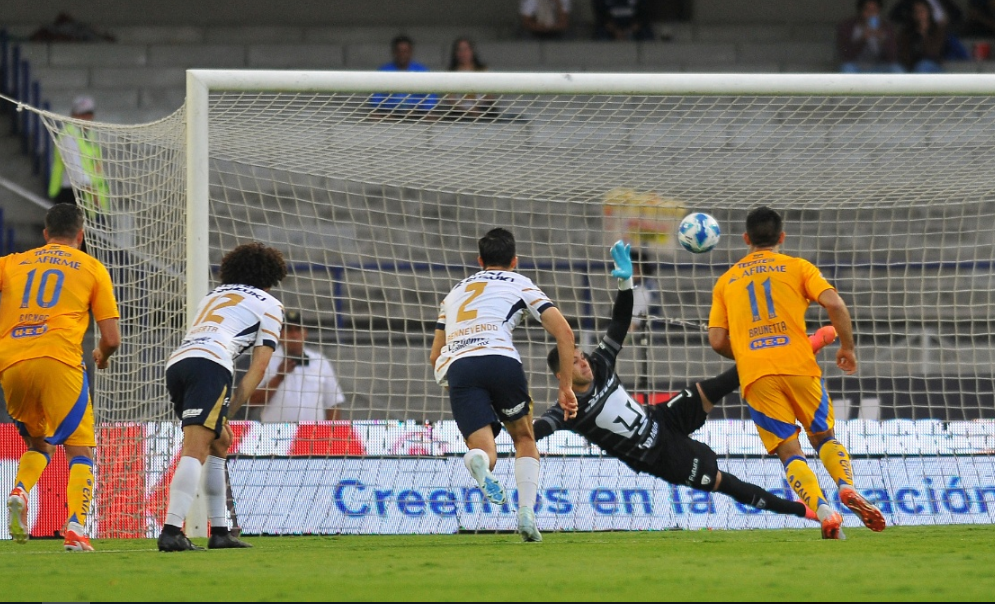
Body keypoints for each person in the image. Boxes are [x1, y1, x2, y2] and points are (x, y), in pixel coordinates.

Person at [538, 241, 841, 526]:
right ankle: (811, 512)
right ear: (560, 375)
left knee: (723, 381)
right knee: (727, 483)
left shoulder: (600, 365)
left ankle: (802, 347)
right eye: (575, 361)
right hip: (660, 456)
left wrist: (625, 283)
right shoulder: (566, 410)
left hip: (662, 416)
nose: (584, 362)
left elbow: (618, 323)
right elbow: (534, 432)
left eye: (581, 356)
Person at [707, 206, 887, 540]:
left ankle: (823, 512)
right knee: (824, 437)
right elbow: (835, 304)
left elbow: (717, 340)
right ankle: (846, 486)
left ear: (746, 238)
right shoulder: (797, 267)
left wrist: (748, 353)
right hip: (800, 367)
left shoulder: (726, 280)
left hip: (757, 376)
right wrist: (846, 347)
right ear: (782, 237)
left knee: (790, 451)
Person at [430, 227, 577, 542]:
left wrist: (452, 379)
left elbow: (434, 355)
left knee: (485, 451)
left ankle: (478, 462)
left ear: (480, 260)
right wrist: (565, 387)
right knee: (524, 437)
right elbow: (565, 333)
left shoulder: (454, 292)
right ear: (515, 260)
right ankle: (526, 513)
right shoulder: (521, 283)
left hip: (461, 367)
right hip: (501, 360)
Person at [0, 203, 121, 551]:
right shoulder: (92, 267)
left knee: (39, 443)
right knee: (79, 450)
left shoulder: (13, 261)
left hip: (12, 362)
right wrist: (102, 354)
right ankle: (76, 528)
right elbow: (112, 338)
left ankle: (20, 490)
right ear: (80, 236)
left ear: (44, 234)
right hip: (59, 360)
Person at [157, 242, 288, 552]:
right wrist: (230, 408)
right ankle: (172, 530)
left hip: (179, 363)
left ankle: (220, 531)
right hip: (211, 364)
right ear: (270, 277)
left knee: (219, 441)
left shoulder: (213, 296)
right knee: (197, 447)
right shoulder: (270, 304)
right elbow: (258, 368)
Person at [248, 309, 346, 422]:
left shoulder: (320, 362)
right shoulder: (265, 361)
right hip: (276, 434)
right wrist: (278, 377)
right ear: (280, 334)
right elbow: (251, 402)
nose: (294, 335)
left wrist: (331, 435)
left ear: (305, 333)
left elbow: (333, 403)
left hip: (312, 435)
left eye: (298, 329)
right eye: (289, 330)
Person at [48, 95, 110, 216]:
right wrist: (93, 193)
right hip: (71, 192)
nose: (87, 118)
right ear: (74, 115)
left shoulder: (89, 135)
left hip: (86, 193)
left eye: (89, 114)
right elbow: (75, 170)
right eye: (83, 115)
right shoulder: (68, 135)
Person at [368, 35, 440, 117]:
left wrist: (419, 110)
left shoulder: (421, 70)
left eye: (406, 51)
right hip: (390, 114)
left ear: (411, 52)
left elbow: (431, 97)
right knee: (374, 115)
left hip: (416, 113)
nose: (402, 54)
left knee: (432, 116)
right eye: (399, 51)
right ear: (394, 52)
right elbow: (375, 99)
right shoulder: (384, 71)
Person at [836, 0, 905, 73]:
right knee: (847, 68)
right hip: (856, 66)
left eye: (874, 10)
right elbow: (845, 55)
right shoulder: (848, 27)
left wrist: (883, 40)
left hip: (879, 67)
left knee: (897, 69)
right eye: (867, 10)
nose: (871, 14)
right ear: (860, 11)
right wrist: (862, 39)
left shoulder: (886, 27)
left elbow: (893, 58)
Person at [443, 37, 497, 120]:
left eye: (466, 49)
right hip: (459, 113)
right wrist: (467, 110)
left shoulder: (483, 70)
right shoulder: (451, 73)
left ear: (472, 51)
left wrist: (476, 107)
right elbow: (450, 98)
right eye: (459, 50)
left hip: (482, 110)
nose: (463, 53)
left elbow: (490, 96)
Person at [897, 0, 948, 72]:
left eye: (922, 11)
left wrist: (923, 34)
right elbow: (903, 54)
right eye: (916, 12)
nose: (919, 14)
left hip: (933, 66)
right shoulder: (906, 32)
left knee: (922, 66)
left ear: (929, 12)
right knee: (897, 69)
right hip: (911, 66)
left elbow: (933, 53)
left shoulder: (937, 31)